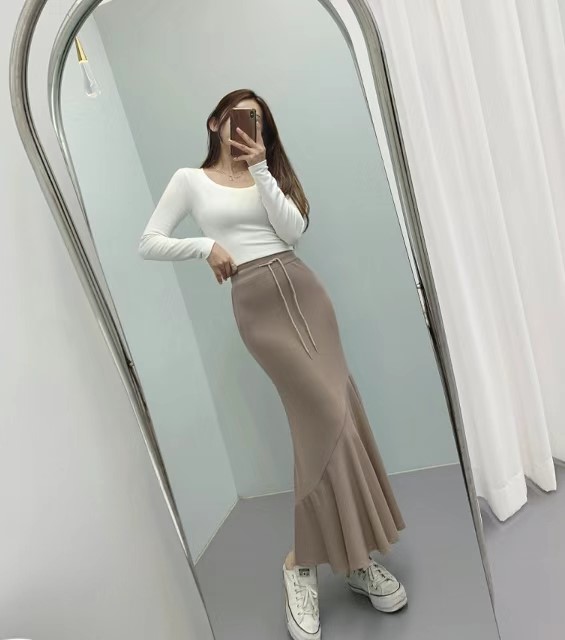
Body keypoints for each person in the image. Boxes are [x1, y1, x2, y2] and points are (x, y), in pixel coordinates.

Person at [139, 89, 407, 640]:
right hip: (257, 305)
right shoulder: (189, 180)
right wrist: (203, 247)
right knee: (321, 418)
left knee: (340, 417)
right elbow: (149, 241)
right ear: (214, 122)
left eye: (257, 120)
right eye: (239, 118)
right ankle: (300, 564)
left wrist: (262, 168)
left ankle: (353, 559)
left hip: (305, 292)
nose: (247, 126)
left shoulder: (269, 171)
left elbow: (293, 233)